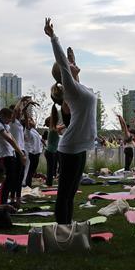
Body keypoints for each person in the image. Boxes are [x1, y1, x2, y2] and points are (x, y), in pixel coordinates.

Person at [45, 18, 97, 225]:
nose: (74, 65)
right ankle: (62, 229)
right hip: (69, 148)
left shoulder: (78, 88)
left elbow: (73, 76)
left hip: (79, 147)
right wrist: (53, 37)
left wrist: (71, 59)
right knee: (64, 193)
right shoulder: (71, 88)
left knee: (71, 193)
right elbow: (64, 66)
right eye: (70, 65)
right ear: (65, 70)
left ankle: (66, 227)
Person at [44, 106, 61, 186]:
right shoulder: (52, 129)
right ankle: (49, 183)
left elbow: (59, 128)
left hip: (51, 151)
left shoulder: (54, 128)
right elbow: (59, 127)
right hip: (50, 152)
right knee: (50, 169)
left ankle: (49, 183)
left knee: (51, 168)